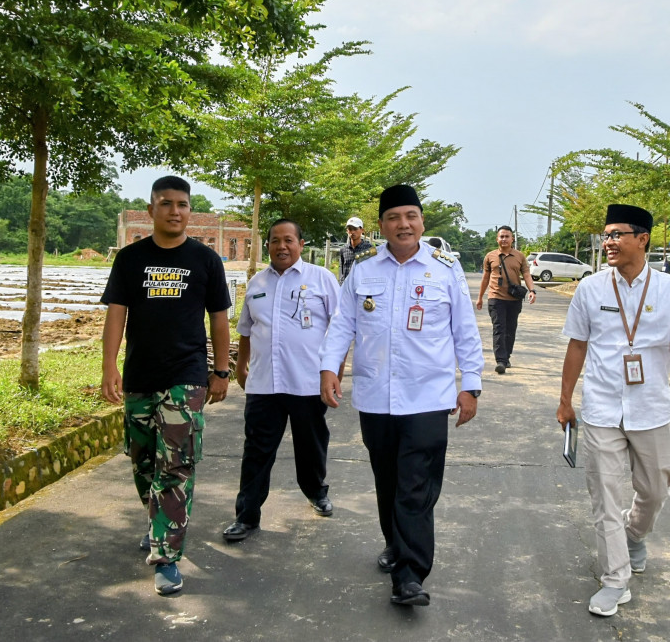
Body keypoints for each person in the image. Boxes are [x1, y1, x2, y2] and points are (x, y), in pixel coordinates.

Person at [320, 184, 484, 607]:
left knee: (415, 484)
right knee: (387, 479)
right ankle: (396, 543)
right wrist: (328, 368)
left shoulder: (445, 270)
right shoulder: (363, 270)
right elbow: (342, 325)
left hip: (429, 396)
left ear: (421, 222)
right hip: (376, 395)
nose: (403, 224)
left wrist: (471, 385)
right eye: (394, 217)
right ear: (381, 226)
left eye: (410, 216)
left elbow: (465, 331)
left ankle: (410, 575)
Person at [556, 204, 670, 618]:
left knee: (655, 490)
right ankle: (614, 579)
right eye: (606, 235)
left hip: (651, 407)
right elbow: (577, 346)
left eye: (618, 234)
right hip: (601, 406)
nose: (609, 242)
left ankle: (634, 534)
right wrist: (565, 400)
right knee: (604, 495)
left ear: (643, 239)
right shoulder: (591, 288)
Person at [100, 175, 232, 596]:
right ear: (151, 209)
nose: (176, 211)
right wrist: (109, 366)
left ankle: (166, 556)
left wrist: (221, 371)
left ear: (189, 210)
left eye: (183, 204)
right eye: (166, 203)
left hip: (186, 378)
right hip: (140, 376)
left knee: (175, 467)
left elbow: (220, 319)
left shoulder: (206, 260)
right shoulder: (130, 259)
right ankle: (160, 523)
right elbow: (116, 314)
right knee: (141, 462)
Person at [222, 219, 342, 542]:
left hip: (308, 384)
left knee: (311, 446)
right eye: (275, 240)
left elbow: (341, 329)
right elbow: (246, 330)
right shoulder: (257, 282)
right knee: (256, 452)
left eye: (288, 240)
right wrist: (241, 366)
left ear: (301, 244)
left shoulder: (322, 279)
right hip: (264, 386)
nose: (281, 246)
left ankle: (316, 491)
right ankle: (246, 516)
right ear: (268, 245)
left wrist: (335, 372)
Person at [476, 225, 536, 374]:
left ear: (512, 239)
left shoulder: (520, 256)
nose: (504, 239)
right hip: (495, 298)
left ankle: (506, 357)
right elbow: (485, 278)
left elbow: (527, 274)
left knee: (510, 330)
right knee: (499, 328)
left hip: (514, 299)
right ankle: (500, 361)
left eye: (507, 236)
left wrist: (532, 290)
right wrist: (480, 298)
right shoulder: (490, 256)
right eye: (501, 236)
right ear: (497, 239)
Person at [338, 216, 374, 285]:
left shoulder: (370, 248)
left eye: (355, 229)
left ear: (362, 230)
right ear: (347, 231)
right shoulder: (343, 249)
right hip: (346, 288)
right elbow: (341, 269)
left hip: (363, 288)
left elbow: (374, 269)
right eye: (350, 229)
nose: (352, 232)